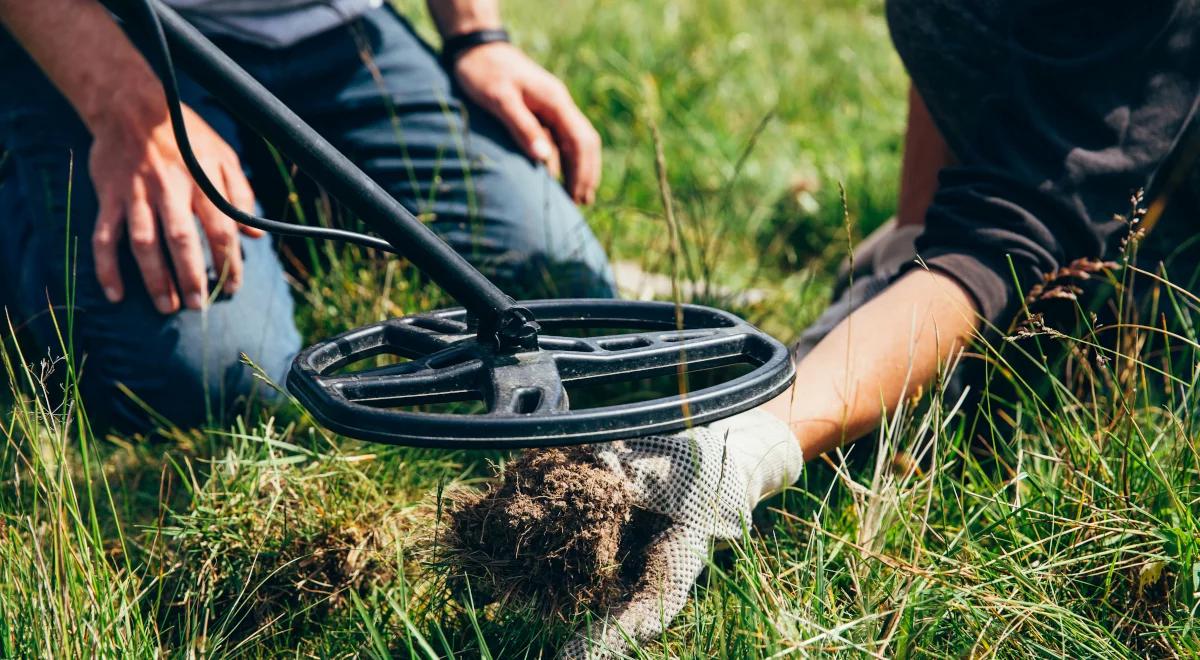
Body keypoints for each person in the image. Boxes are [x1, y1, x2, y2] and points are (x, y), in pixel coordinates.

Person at [560, 1, 1200, 657]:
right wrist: (912, 234)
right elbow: (958, 48)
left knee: (964, 404)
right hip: (1038, 178)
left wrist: (743, 449)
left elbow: (1005, 241)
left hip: (1160, 264)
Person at [0, 0, 615, 432]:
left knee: (563, 288)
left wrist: (476, 36)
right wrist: (125, 108)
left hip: (340, 32)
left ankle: (271, 193)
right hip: (115, 27)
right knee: (220, 384)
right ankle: (34, 202)